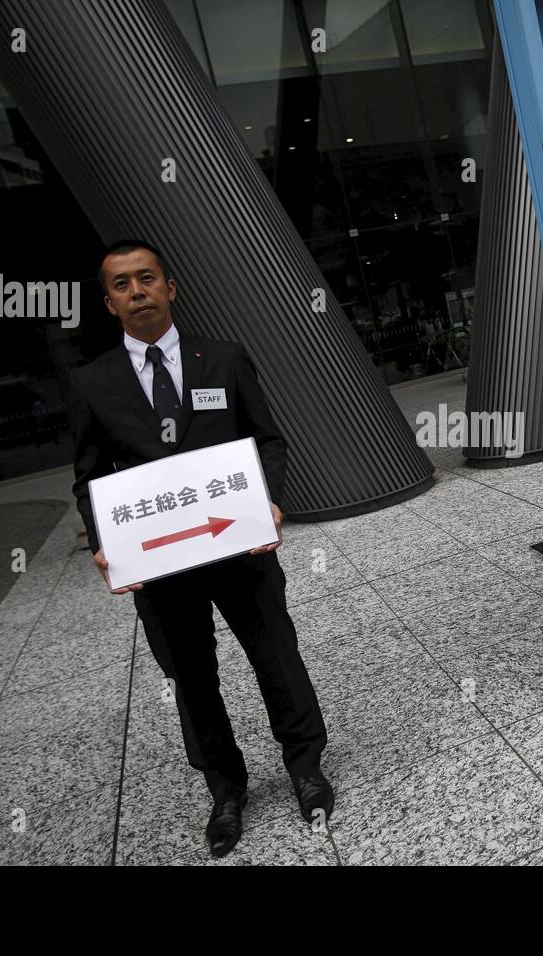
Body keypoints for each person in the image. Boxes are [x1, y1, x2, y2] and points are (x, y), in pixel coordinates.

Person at [69, 239, 332, 857]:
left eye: (147, 279)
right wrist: (105, 538)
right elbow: (88, 476)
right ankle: (225, 788)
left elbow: (268, 439)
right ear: (109, 303)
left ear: (170, 287)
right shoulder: (91, 383)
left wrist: (266, 498)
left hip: (238, 546)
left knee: (276, 653)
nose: (137, 293)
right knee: (191, 676)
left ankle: (305, 765)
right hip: (160, 562)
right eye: (123, 285)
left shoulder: (224, 360)